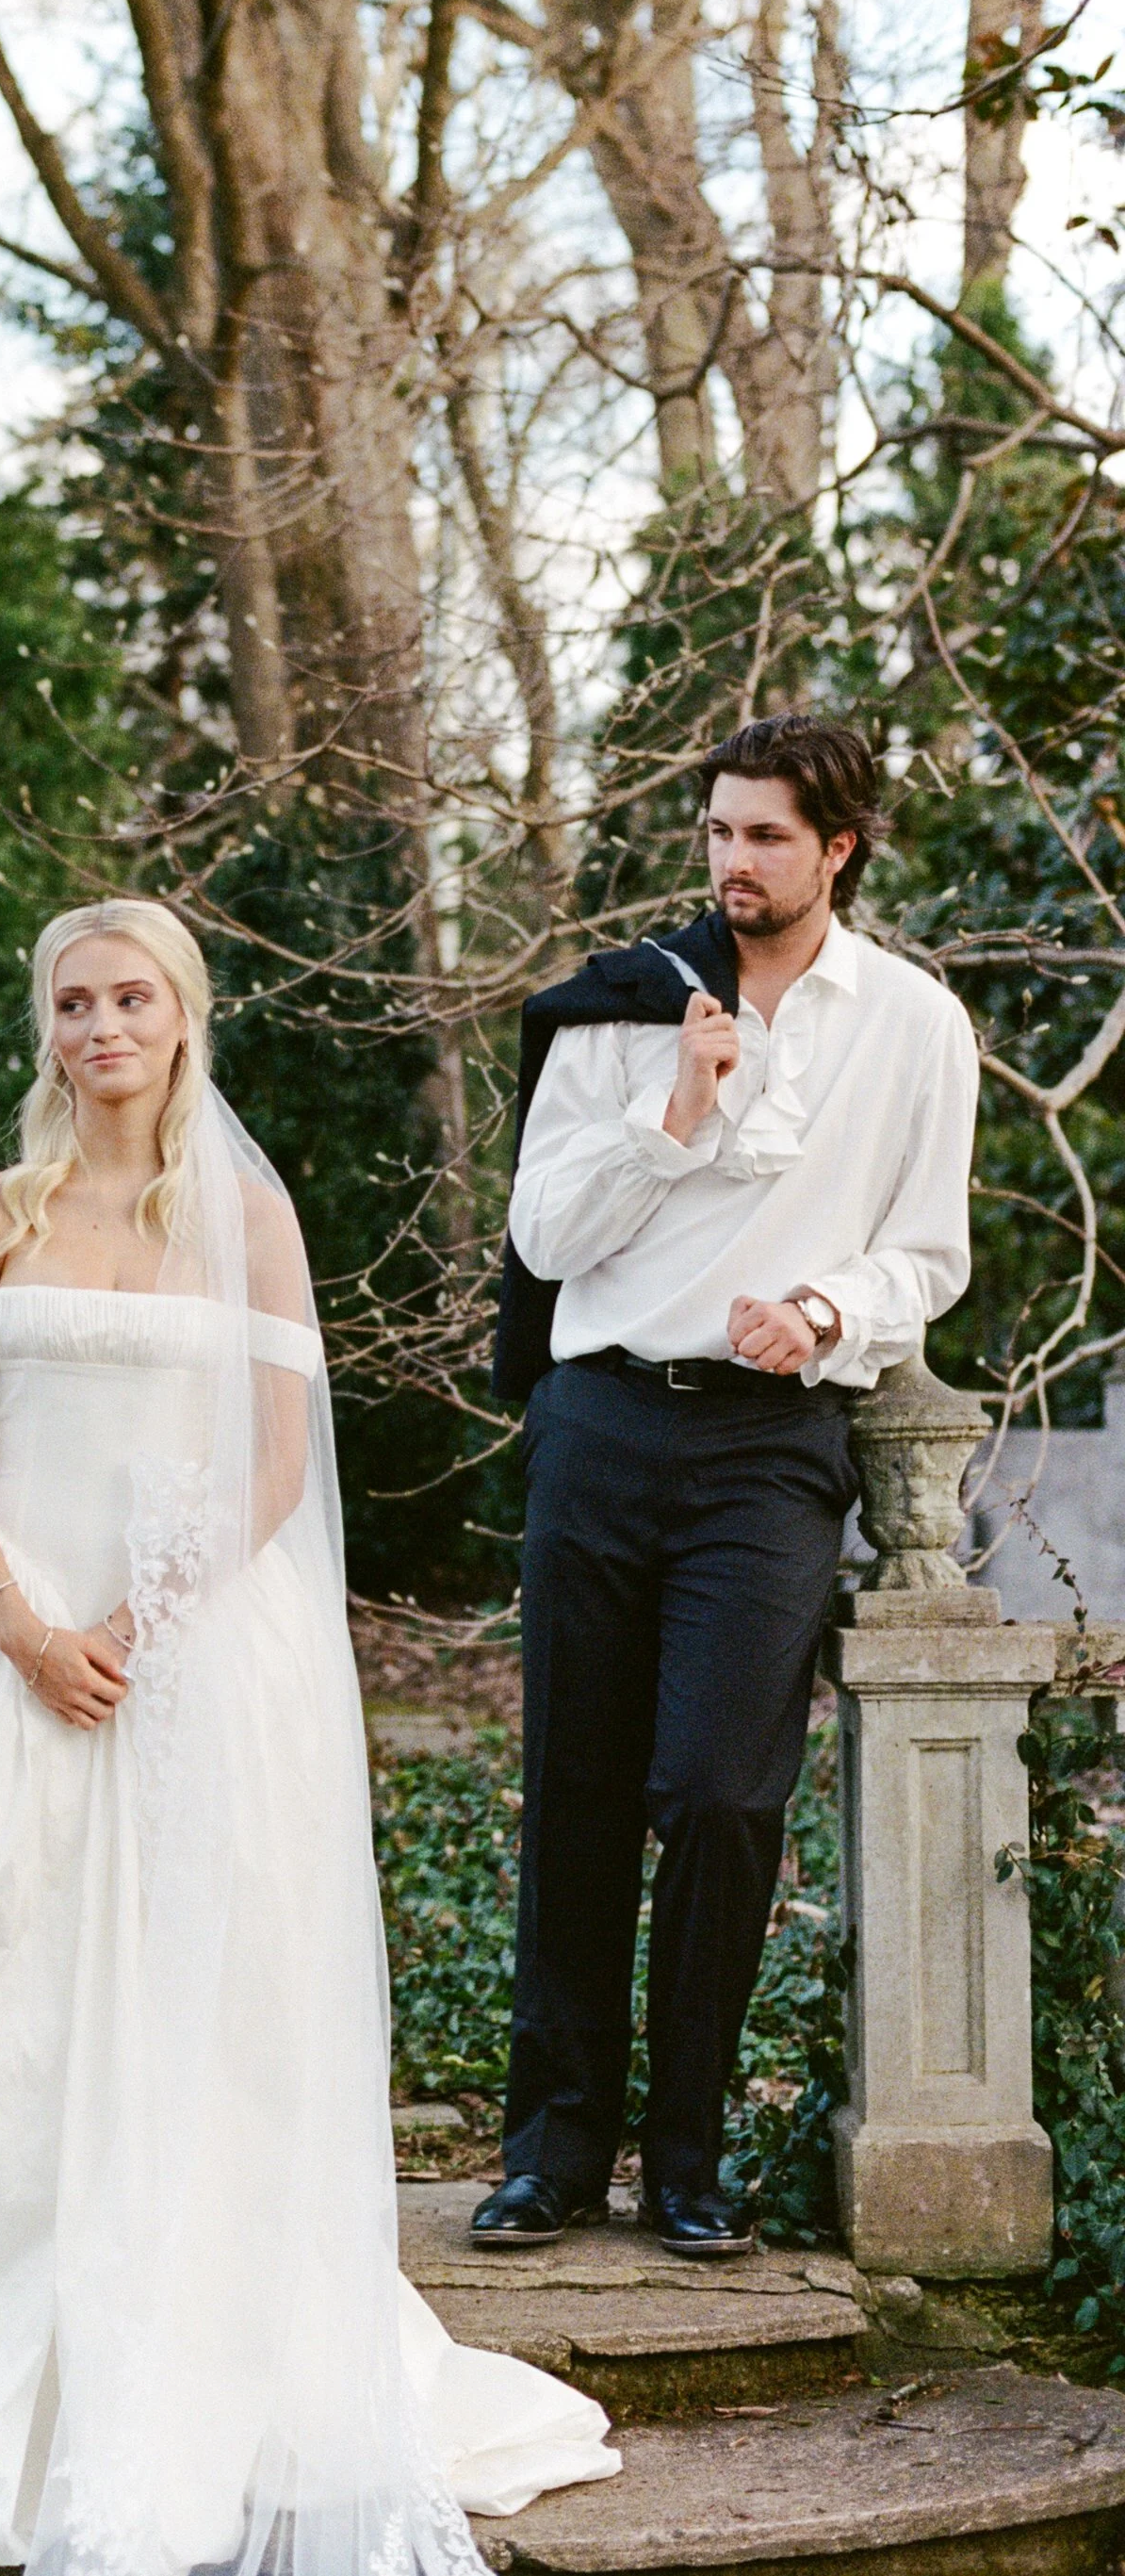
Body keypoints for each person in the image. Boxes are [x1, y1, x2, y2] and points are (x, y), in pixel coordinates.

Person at [0, 896, 619, 2576]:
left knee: (189, 2011)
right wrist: (28, 1630)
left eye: (133, 999)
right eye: (75, 1002)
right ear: (51, 1029)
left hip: (185, 1658)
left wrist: (140, 1630)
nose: (103, 1027)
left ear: (186, 1018)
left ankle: (185, 2345)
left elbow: (271, 1465)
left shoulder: (247, 1213)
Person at [471, 714, 978, 2259]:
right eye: (718, 832)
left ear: (840, 849)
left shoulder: (914, 1025)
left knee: (720, 1796)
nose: (735, 862)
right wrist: (673, 1115)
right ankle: (553, 2152)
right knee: (574, 1789)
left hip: (771, 1446)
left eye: (767, 836)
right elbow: (548, 1244)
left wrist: (825, 1310)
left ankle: (685, 2157)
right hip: (602, 1424)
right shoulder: (621, 1012)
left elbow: (930, 1254)